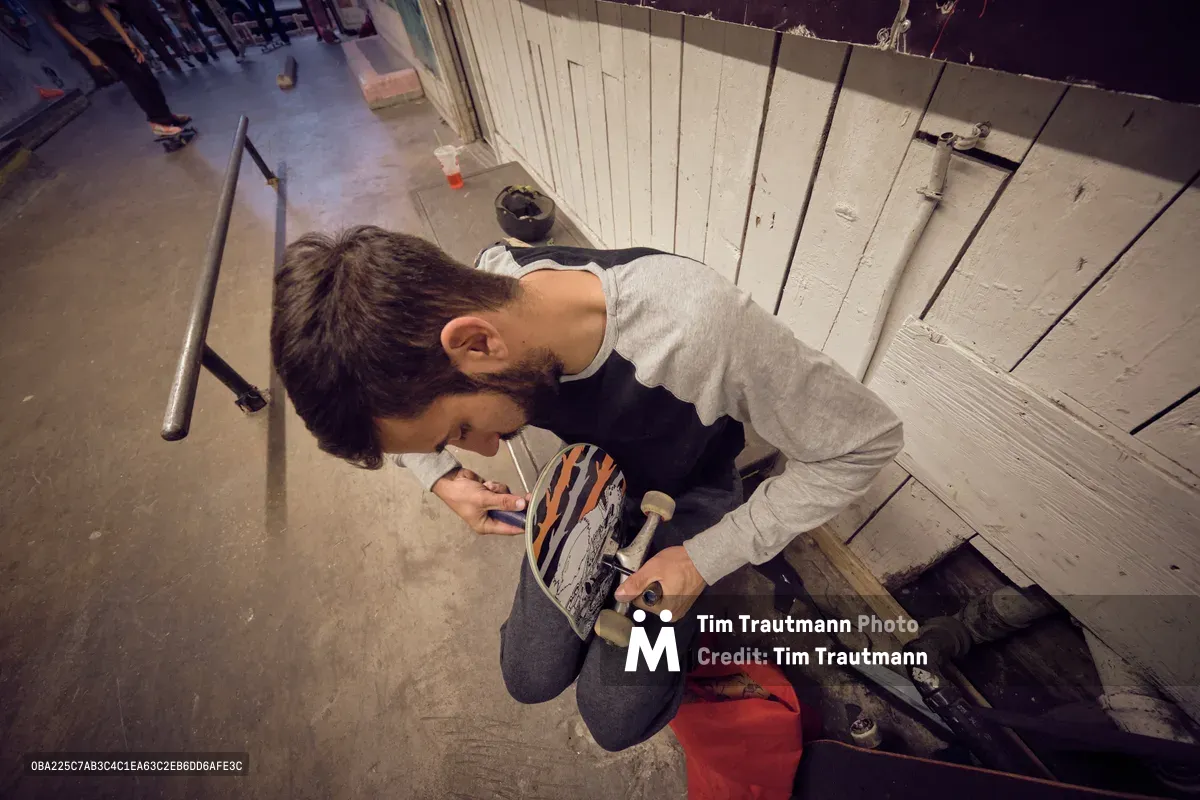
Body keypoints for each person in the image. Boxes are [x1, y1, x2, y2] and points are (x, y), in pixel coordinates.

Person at [269, 227, 904, 752]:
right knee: (528, 677)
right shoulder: (480, 284)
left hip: (688, 510)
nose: (488, 450)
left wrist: (702, 560)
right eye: (455, 440)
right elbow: (384, 393)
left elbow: (865, 443)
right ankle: (583, 551)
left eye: (463, 429)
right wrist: (442, 478)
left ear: (476, 343)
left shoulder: (696, 331)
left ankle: (671, 616)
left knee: (614, 720)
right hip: (586, 489)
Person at [42, 0, 190, 137]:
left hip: (111, 33)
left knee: (145, 71)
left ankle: (166, 115)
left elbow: (103, 8)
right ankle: (157, 122)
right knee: (133, 74)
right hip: (92, 41)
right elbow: (56, 25)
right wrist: (88, 54)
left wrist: (128, 41)